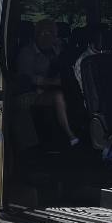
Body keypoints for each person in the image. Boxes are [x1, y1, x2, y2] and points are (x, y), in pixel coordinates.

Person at [17, 19, 81, 147]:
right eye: (44, 33)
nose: (48, 36)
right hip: (31, 93)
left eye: (52, 33)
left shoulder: (56, 49)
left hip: (53, 87)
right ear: (37, 35)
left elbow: (63, 66)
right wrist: (51, 82)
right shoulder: (27, 53)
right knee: (58, 96)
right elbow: (26, 78)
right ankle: (70, 135)